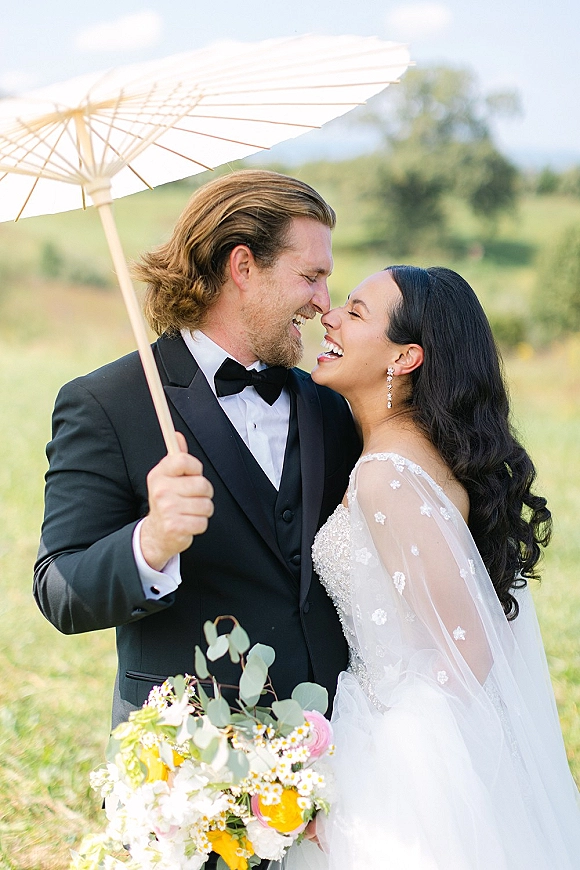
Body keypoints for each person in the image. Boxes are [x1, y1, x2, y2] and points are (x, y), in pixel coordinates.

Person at [33, 169, 360, 736]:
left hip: (337, 758)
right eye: (310, 277)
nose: (323, 303)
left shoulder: (329, 407)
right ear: (243, 268)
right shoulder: (107, 403)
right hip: (188, 770)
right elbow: (60, 592)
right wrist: (152, 542)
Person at [289, 266, 580, 869]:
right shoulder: (406, 456)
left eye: (357, 312)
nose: (331, 317)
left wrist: (363, 769)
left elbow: (465, 655)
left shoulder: (386, 475)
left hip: (399, 764)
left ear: (405, 357)